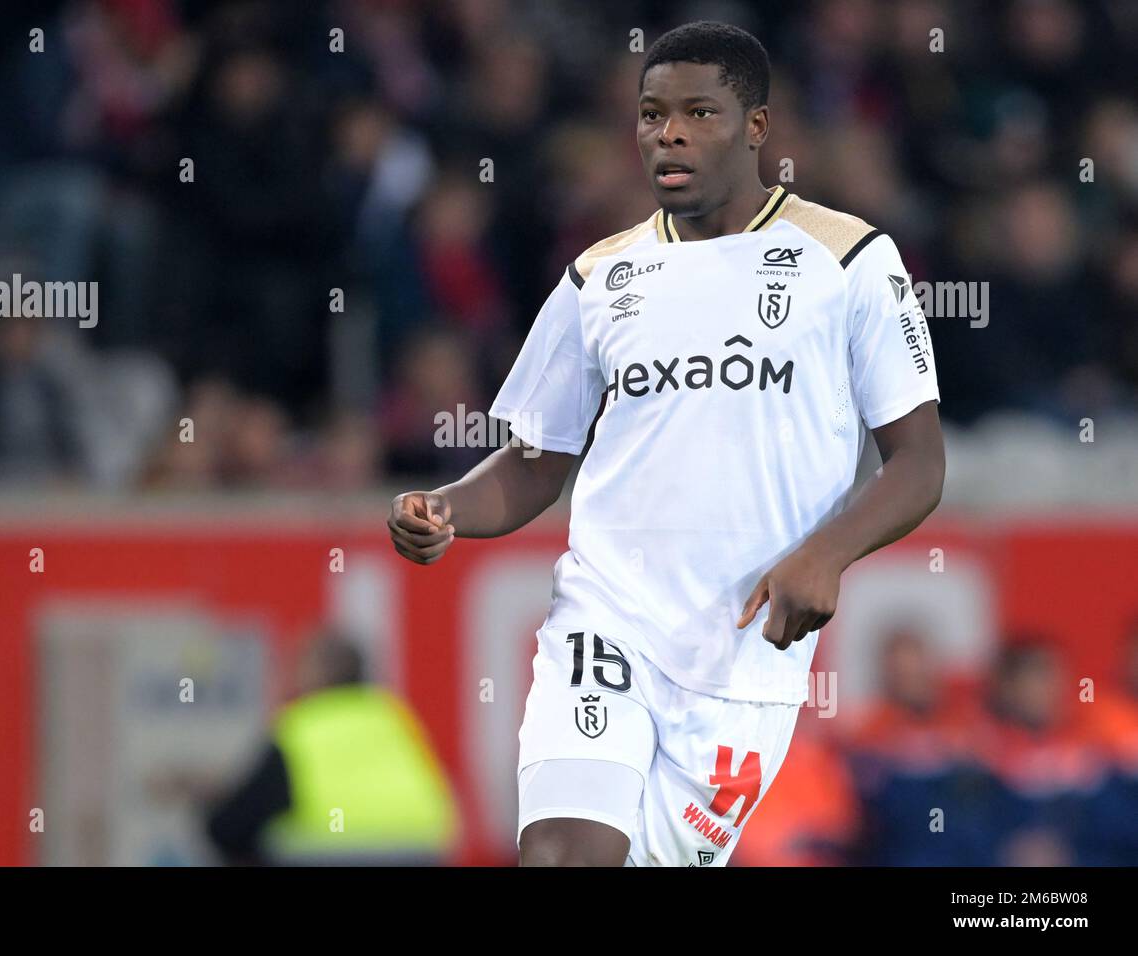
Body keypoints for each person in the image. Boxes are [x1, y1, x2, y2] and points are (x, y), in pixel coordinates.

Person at [386, 20, 945, 867]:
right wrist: (448, 508)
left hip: (744, 657)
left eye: (697, 113)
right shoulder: (599, 277)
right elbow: (539, 462)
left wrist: (825, 555)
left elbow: (920, 462)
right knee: (562, 855)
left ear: (756, 126)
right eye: (651, 115)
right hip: (607, 622)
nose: (668, 133)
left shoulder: (850, 261)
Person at [205, 632, 459, 865]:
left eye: (296, 665)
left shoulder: (301, 726)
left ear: (318, 672)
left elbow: (230, 827)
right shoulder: (391, 716)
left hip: (328, 856)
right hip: (419, 852)